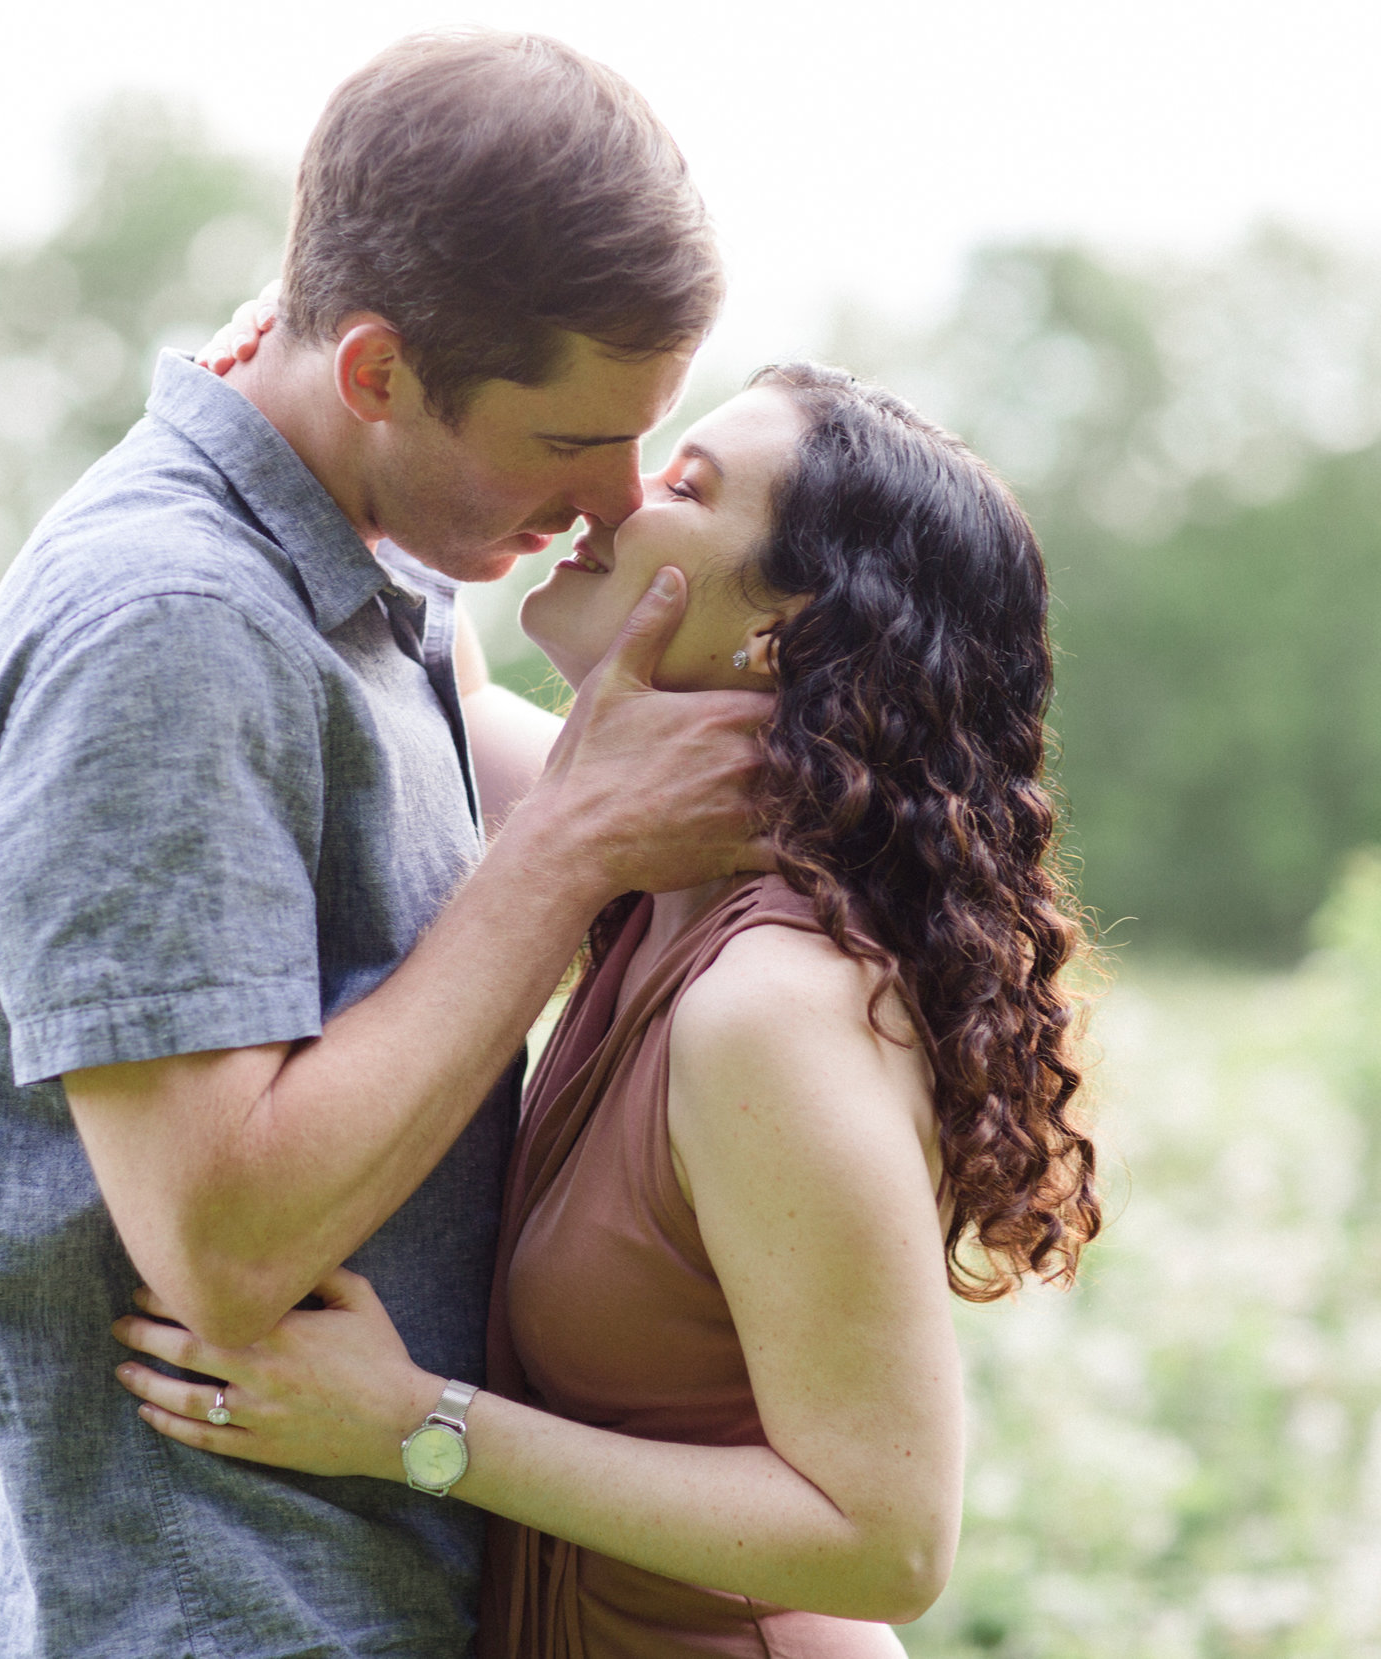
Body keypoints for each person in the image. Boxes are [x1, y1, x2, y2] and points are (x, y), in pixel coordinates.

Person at [0, 30, 770, 1659]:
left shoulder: (360, 569)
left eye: (642, 440)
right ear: (373, 370)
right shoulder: (169, 628)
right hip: (219, 1615)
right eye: (569, 441)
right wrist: (567, 854)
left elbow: (594, 807)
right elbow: (222, 1249)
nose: (612, 505)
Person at [107, 365, 1104, 1657]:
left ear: (780, 636)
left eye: (683, 486)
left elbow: (890, 1537)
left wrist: (417, 1426)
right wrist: (336, 382)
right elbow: (440, 692)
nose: (614, 499)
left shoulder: (768, 1007)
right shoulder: (645, 872)